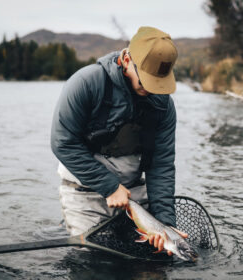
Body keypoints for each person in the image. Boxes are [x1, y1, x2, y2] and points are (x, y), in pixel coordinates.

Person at [50, 26, 186, 255]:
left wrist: (165, 223)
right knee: (96, 261)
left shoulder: (163, 106)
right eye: (146, 82)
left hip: (133, 194)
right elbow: (62, 142)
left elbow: (160, 165)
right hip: (85, 192)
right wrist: (110, 187)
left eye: (158, 84)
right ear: (125, 59)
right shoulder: (86, 83)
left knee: (155, 259)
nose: (152, 91)